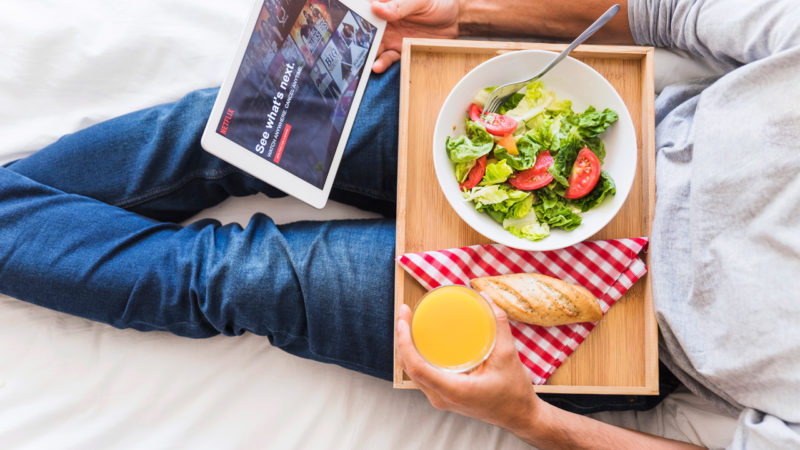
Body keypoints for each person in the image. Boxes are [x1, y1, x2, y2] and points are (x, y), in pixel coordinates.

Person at [0, 0, 798, 448]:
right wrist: (465, 14)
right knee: (225, 131)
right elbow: (677, 12)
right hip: (591, 137)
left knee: (233, 277)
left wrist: (526, 417)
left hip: (607, 332)